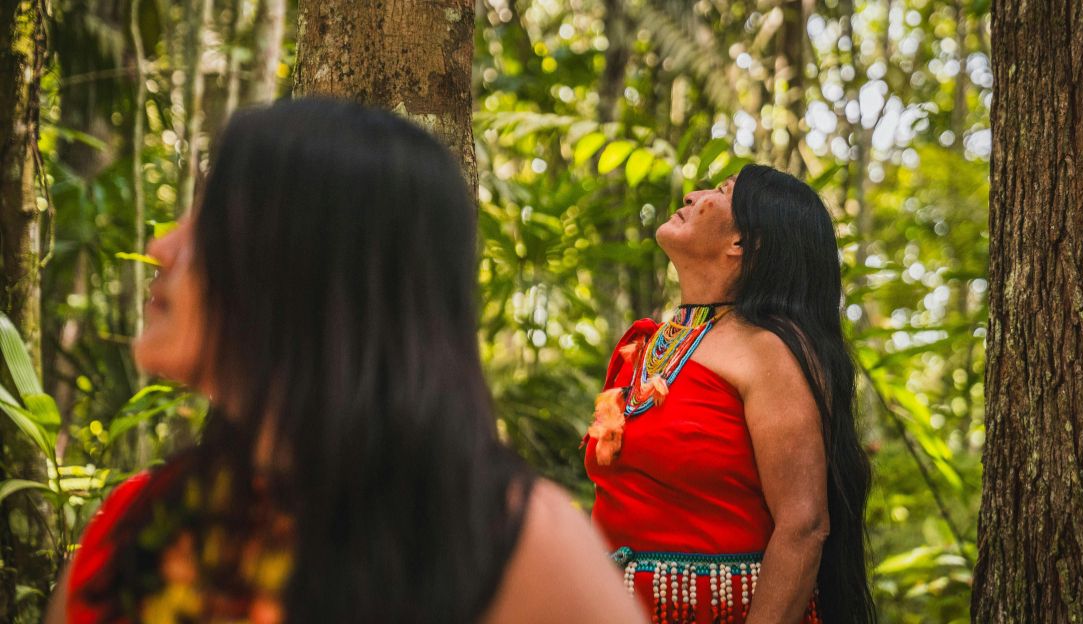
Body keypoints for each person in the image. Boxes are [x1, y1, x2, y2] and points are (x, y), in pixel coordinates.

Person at [46, 98, 644, 624]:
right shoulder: (138, 524)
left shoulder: (512, 545)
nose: (160, 246)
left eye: (209, 220)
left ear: (306, 267)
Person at [584, 165, 875, 624]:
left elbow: (803, 526)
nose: (692, 195)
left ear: (741, 243)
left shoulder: (769, 353)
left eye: (721, 191)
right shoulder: (644, 345)